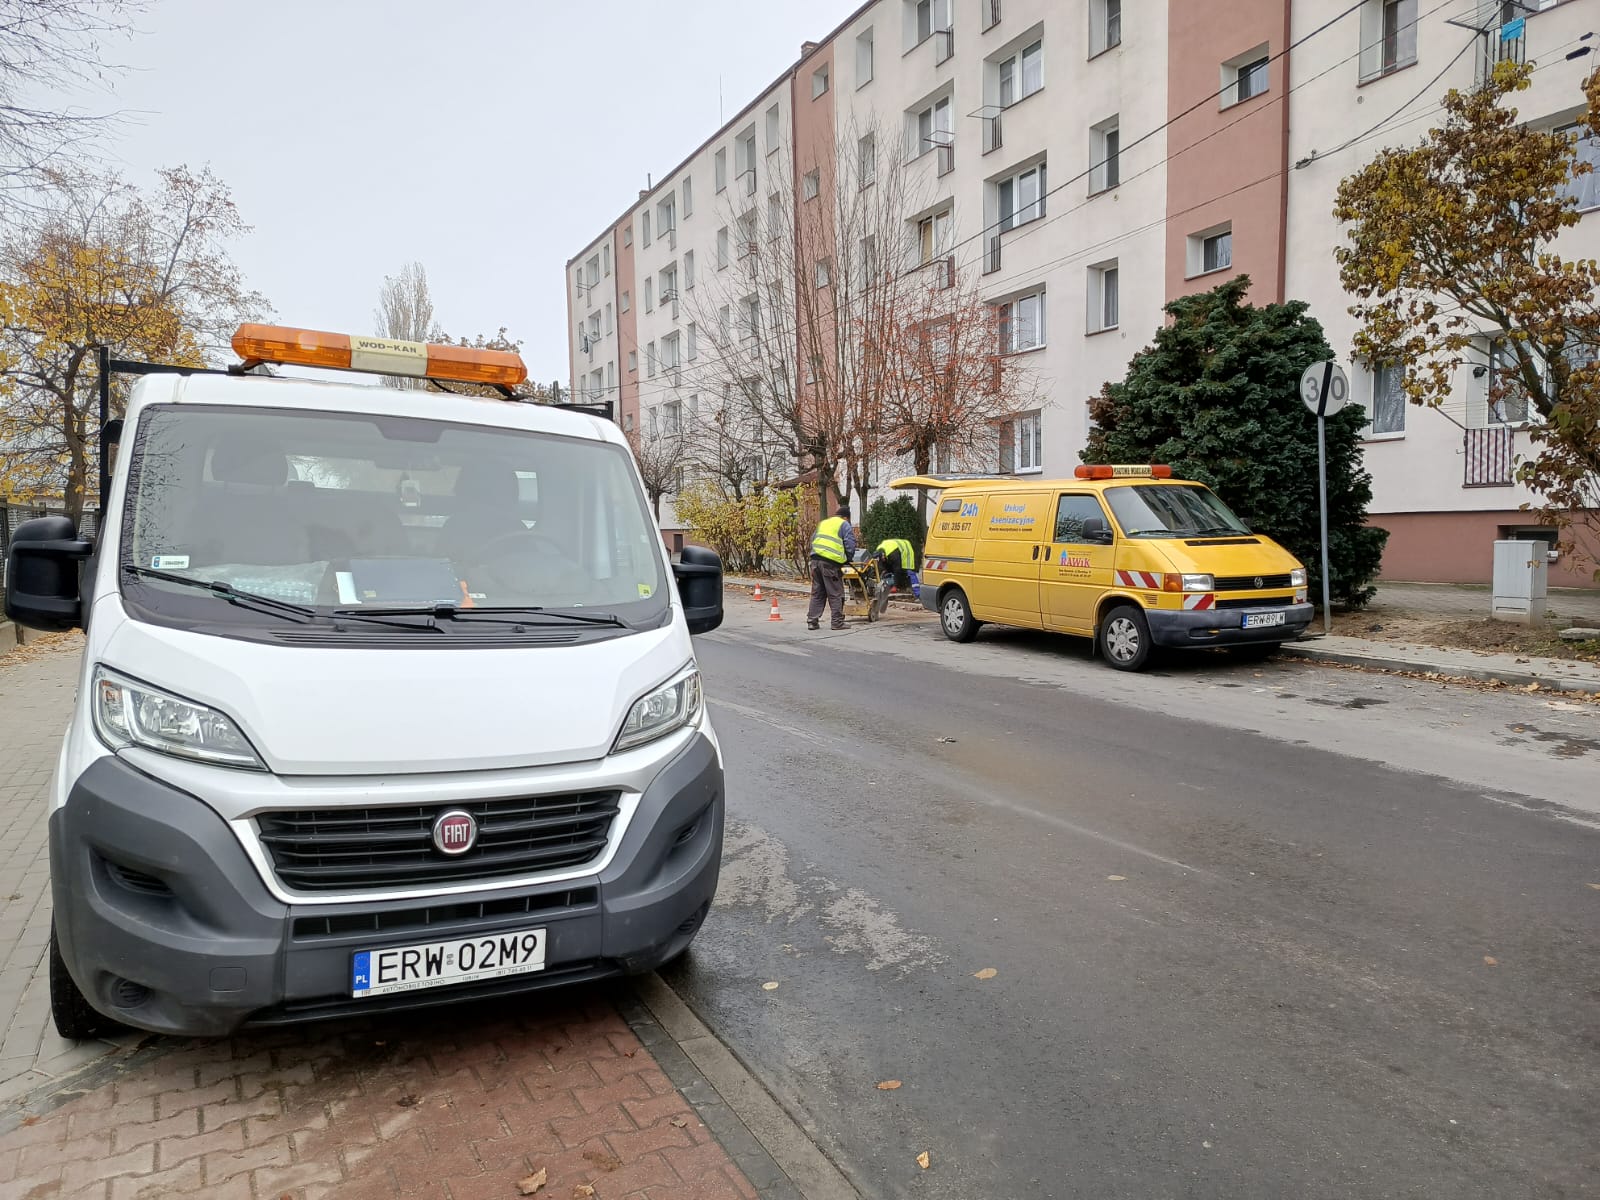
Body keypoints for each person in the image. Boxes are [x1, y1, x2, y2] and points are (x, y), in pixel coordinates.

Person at [806, 505, 856, 631]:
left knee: (817, 592)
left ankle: (812, 621)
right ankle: (837, 622)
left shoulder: (823, 523)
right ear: (846, 517)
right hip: (830, 563)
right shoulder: (844, 524)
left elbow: (812, 540)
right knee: (835, 593)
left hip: (815, 561)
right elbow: (849, 544)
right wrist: (848, 558)